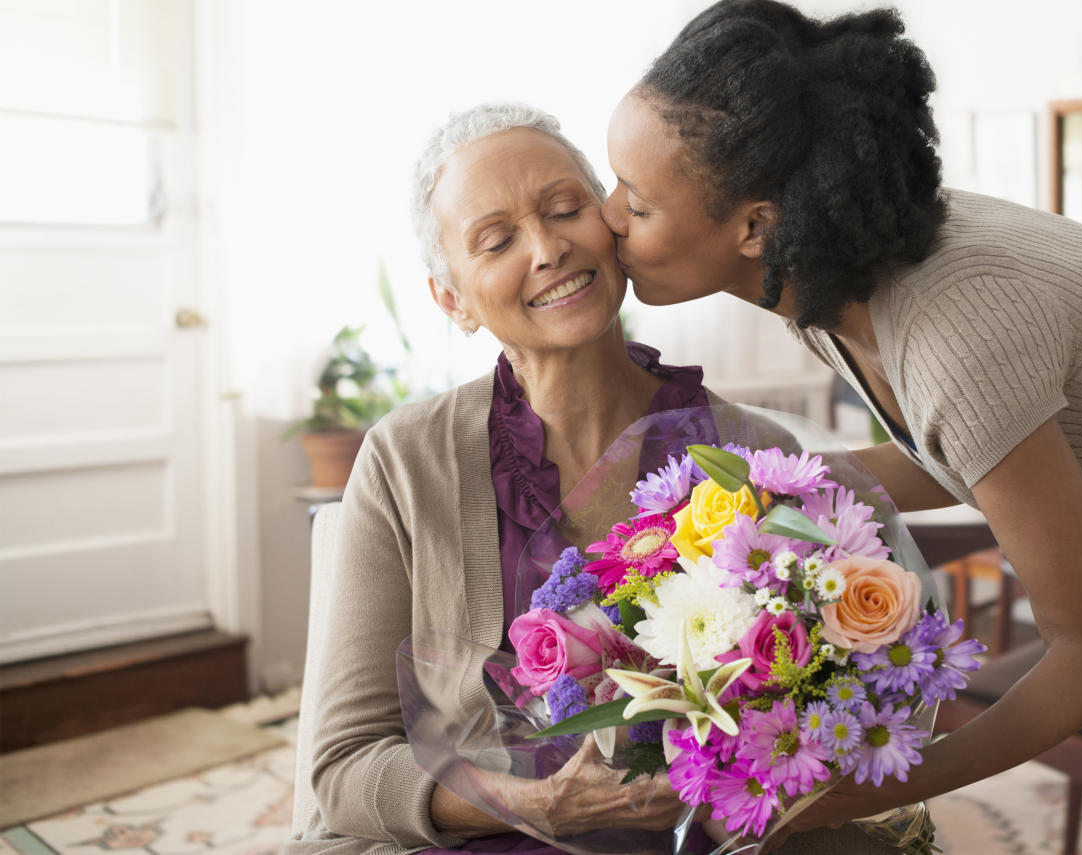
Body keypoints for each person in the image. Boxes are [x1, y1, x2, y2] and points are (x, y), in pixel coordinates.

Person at [600, 2, 1082, 853]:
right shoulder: (823, 276)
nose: (608, 216)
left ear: (755, 224)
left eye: (636, 203)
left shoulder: (947, 326)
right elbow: (985, 448)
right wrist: (758, 501)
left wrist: (880, 779)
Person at [283, 102, 899, 855]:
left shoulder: (750, 452)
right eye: (497, 239)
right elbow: (344, 767)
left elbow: (828, 710)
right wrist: (529, 804)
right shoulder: (406, 459)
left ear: (613, 221)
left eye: (566, 208)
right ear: (453, 300)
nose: (547, 248)